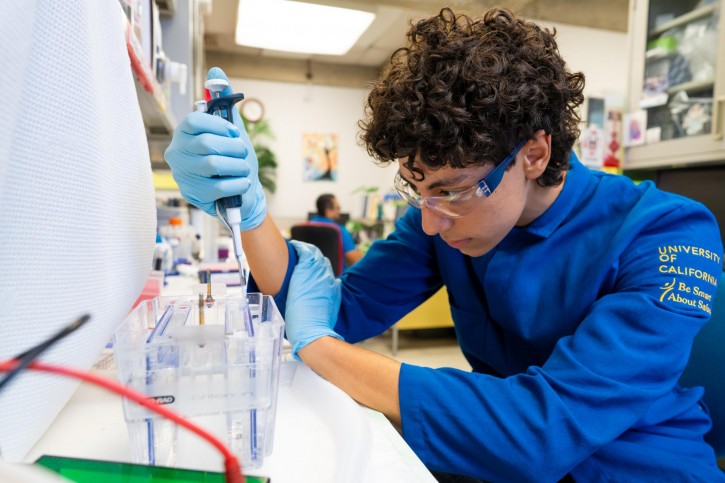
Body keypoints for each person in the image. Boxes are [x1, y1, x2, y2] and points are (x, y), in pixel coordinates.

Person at [165, 8, 725, 482]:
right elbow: (334, 309)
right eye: (417, 190)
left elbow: (543, 430)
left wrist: (322, 350)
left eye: (452, 191)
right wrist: (249, 211)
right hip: (491, 448)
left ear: (533, 153)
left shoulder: (668, 234)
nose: (431, 224)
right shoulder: (446, 218)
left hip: (638, 466)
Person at [310, 193, 363, 268]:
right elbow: (356, 261)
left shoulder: (304, 227)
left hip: (309, 277)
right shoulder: (339, 231)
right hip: (335, 278)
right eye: (337, 208)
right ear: (328, 211)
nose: (339, 211)